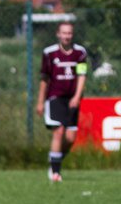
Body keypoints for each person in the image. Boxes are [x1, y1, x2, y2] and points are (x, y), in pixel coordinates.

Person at [36, 21, 88, 182]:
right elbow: (44, 79)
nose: (67, 36)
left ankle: (54, 160)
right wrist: (40, 101)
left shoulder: (80, 53)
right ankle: (56, 173)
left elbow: (82, 75)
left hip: (72, 99)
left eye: (69, 33)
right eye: (64, 33)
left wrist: (77, 96)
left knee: (71, 138)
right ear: (58, 34)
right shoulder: (49, 53)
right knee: (58, 132)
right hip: (55, 98)